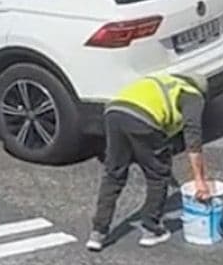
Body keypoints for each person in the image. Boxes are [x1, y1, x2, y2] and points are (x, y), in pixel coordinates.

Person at [87, 72, 215, 251]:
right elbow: (192, 135)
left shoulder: (163, 82)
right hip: (143, 119)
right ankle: (151, 229)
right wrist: (199, 180)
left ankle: (97, 233)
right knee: (158, 176)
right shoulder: (192, 94)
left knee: (114, 174)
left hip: (114, 112)